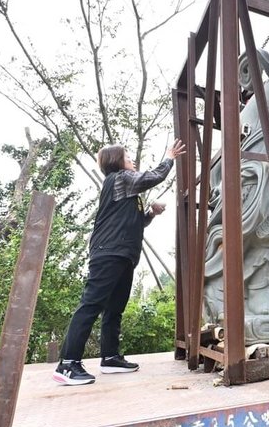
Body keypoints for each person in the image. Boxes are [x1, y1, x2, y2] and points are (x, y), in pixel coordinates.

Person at [53, 139, 186, 385]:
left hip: (123, 254)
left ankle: (110, 357)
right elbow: (153, 177)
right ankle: (68, 364)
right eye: (127, 157)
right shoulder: (120, 178)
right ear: (117, 162)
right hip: (109, 253)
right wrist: (169, 157)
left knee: (115, 308)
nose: (132, 160)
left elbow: (137, 223)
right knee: (91, 305)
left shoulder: (127, 189)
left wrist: (150, 214)